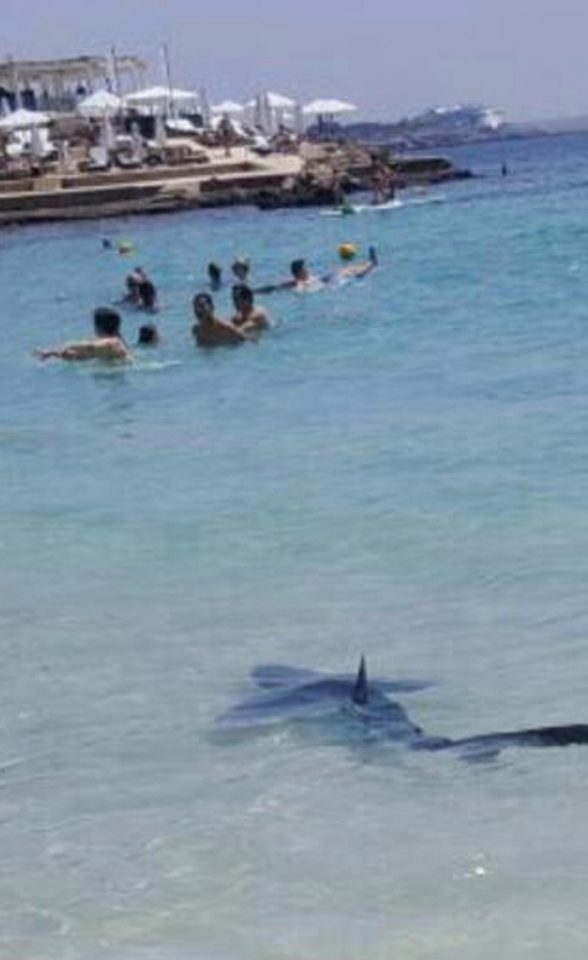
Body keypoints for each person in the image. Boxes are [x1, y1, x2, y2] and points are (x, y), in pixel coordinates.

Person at [35, 307, 132, 363]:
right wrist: (55, 354)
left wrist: (59, 348)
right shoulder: (117, 341)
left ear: (98, 326)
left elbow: (90, 347)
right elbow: (81, 355)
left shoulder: (112, 342)